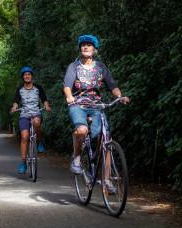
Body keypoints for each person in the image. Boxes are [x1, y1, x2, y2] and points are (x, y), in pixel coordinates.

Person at [63, 34, 129, 176]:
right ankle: (77, 158)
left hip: (97, 106)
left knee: (106, 139)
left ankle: (107, 180)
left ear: (94, 49)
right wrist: (69, 97)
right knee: (81, 130)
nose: (85, 47)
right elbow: (67, 85)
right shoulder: (74, 67)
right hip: (78, 104)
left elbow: (113, 85)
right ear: (80, 48)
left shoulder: (101, 67)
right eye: (83, 45)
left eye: (89, 45)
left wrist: (120, 96)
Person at [11, 66, 52, 174]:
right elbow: (16, 101)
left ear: (32, 76)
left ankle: (39, 141)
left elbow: (44, 99)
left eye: (29, 74)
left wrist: (47, 106)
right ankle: (23, 162)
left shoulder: (38, 88)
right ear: (23, 77)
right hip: (24, 115)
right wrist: (14, 107)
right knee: (24, 136)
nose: (27, 76)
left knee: (37, 122)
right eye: (25, 75)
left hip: (36, 113)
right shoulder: (20, 89)